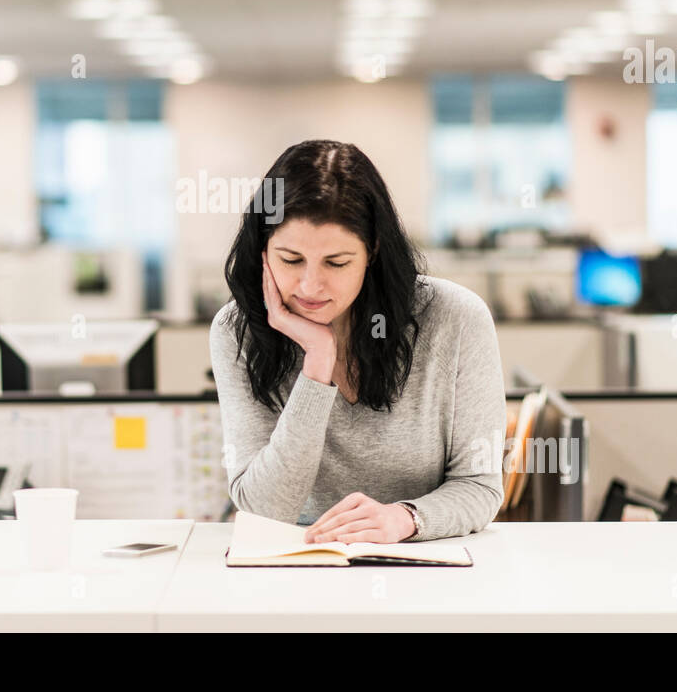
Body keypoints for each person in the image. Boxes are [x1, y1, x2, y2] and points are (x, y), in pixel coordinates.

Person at [210, 139, 506, 543]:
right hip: (299, 566)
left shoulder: (455, 318)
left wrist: (405, 519)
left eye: (337, 262)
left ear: (373, 251)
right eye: (290, 259)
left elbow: (480, 486)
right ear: (262, 250)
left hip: (426, 566)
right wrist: (318, 362)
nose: (310, 285)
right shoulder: (236, 331)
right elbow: (265, 510)